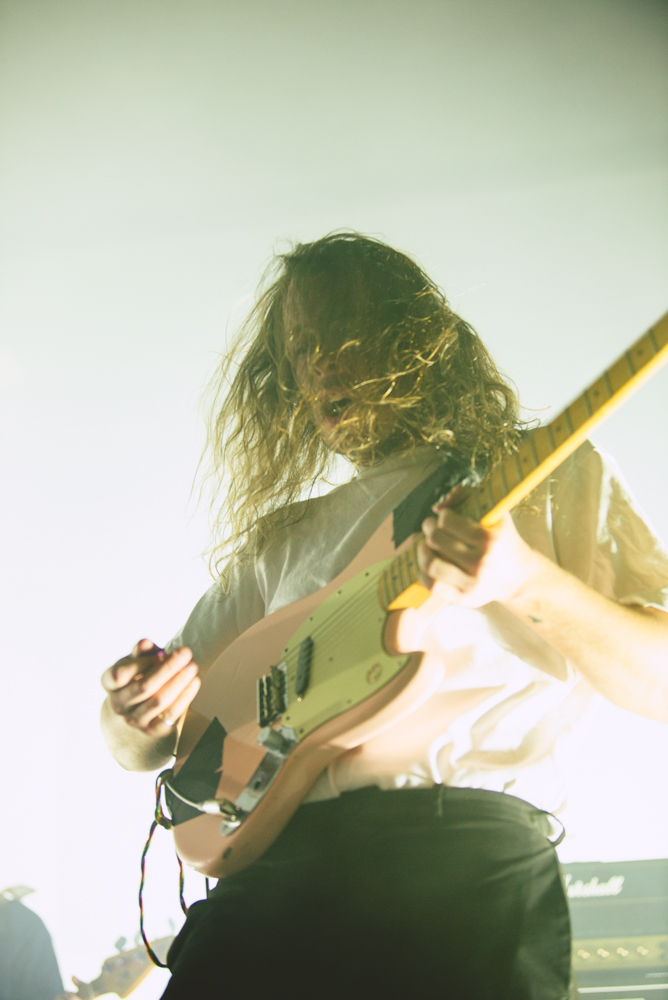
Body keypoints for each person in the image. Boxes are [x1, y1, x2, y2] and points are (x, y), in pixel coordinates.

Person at [100, 233, 668, 999]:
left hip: (458, 870)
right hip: (269, 880)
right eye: (301, 349)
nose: (321, 364)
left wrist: (525, 579)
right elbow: (150, 748)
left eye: (343, 334)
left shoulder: (545, 473)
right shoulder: (284, 539)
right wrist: (132, 715)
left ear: (419, 341)